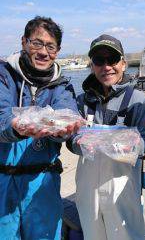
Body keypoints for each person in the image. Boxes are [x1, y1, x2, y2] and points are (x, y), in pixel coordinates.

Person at [0, 16, 83, 239]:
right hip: (2, 182)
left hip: (43, 185)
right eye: (37, 43)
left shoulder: (62, 86)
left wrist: (66, 132)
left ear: (57, 51)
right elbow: (1, 115)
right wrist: (16, 127)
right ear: (23, 41)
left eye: (51, 46)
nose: (43, 52)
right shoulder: (3, 76)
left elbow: (68, 116)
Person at [67, 34, 145, 240]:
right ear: (92, 66)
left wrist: (130, 145)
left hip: (123, 189)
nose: (106, 67)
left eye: (112, 60)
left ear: (123, 64)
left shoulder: (139, 100)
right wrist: (77, 142)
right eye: (99, 61)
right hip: (88, 190)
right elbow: (71, 140)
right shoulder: (81, 101)